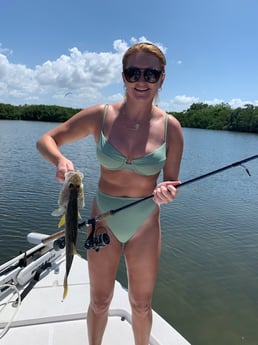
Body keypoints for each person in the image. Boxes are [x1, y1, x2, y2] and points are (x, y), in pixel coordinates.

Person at [36, 42, 184, 345]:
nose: (141, 80)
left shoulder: (172, 128)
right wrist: (61, 160)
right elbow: (46, 140)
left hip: (144, 223)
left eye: (150, 73)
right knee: (100, 301)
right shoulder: (100, 116)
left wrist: (168, 191)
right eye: (133, 72)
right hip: (102, 218)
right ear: (123, 76)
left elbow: (172, 181)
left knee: (141, 305)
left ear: (162, 78)